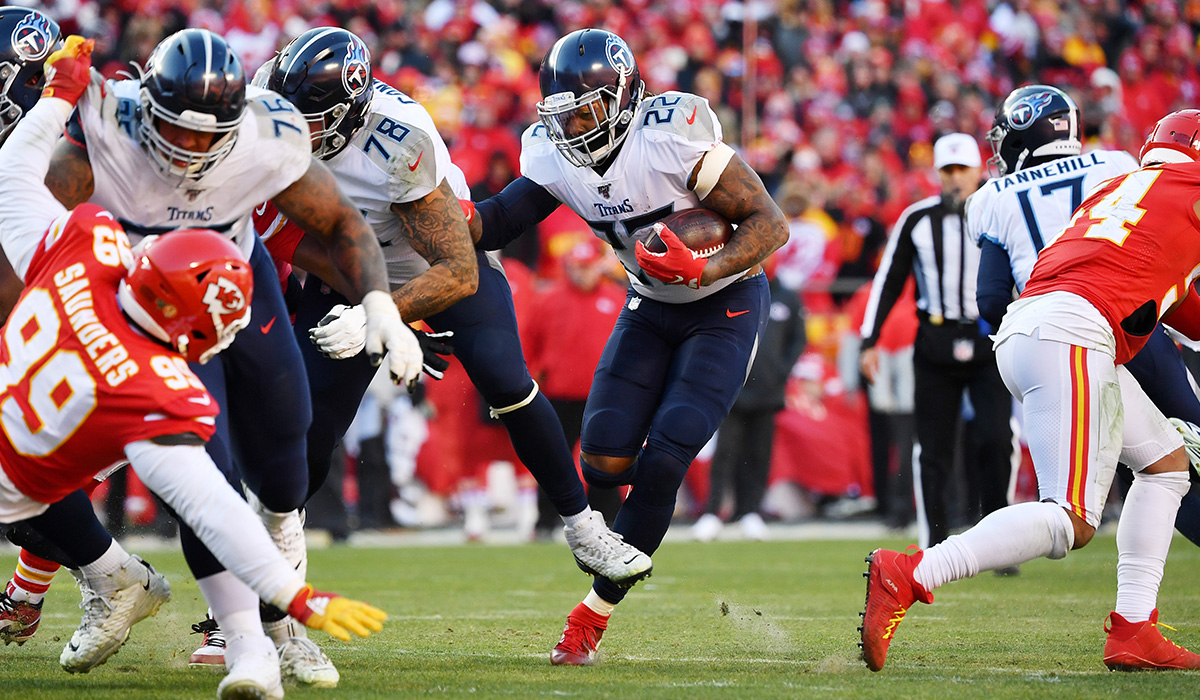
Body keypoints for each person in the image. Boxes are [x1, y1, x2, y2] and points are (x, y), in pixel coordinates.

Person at [19, 27, 420, 687]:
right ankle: (249, 644)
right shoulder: (105, 130)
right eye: (178, 130)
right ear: (146, 108)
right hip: (151, 309)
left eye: (211, 134)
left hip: (241, 283)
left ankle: (284, 623)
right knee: (204, 475)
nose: (193, 149)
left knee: (288, 462)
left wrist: (382, 305)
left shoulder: (269, 133)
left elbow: (344, 223)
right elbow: (28, 225)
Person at [252, 25, 652, 616]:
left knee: (507, 381)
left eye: (310, 121)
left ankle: (582, 525)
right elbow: (282, 233)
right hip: (344, 269)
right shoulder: (269, 101)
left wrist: (385, 314)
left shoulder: (400, 141)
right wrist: (373, 306)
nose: (294, 132)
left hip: (436, 262)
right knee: (306, 428)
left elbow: (459, 272)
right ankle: (251, 598)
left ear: (348, 114)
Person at [468, 28, 789, 665]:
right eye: (564, 115)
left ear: (624, 95)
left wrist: (703, 268)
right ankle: (637, 532)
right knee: (603, 458)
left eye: (586, 110)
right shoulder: (555, 154)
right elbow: (498, 221)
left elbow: (769, 224)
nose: (576, 127)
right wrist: (432, 211)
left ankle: (592, 613)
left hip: (723, 302)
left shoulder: (672, 131)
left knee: (668, 453)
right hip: (648, 307)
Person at [860, 109, 1200, 673]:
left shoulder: (1123, 186)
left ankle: (1135, 630)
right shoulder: (1181, 185)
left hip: (1036, 325)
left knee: (1165, 466)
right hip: (1075, 330)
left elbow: (1176, 301)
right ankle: (912, 572)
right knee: (1071, 518)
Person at [970, 85, 1200, 546]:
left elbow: (992, 298)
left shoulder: (993, 195)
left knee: (1152, 468)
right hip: (1136, 322)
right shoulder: (1114, 166)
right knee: (1179, 454)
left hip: (1051, 324)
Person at [859, 132, 1014, 548]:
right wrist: (868, 340)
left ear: (979, 170)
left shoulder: (1000, 210)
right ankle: (935, 542)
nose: (956, 179)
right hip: (935, 340)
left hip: (990, 341)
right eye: (948, 170)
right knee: (932, 447)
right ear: (938, 174)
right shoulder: (917, 219)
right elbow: (889, 280)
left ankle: (1000, 540)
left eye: (963, 169)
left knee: (997, 439)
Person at [693, 255, 805, 541]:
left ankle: (750, 511)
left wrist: (781, 371)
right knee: (725, 453)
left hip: (768, 389)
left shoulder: (787, 298)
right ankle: (712, 511)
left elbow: (797, 340)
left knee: (758, 453)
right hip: (732, 388)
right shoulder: (733, 290)